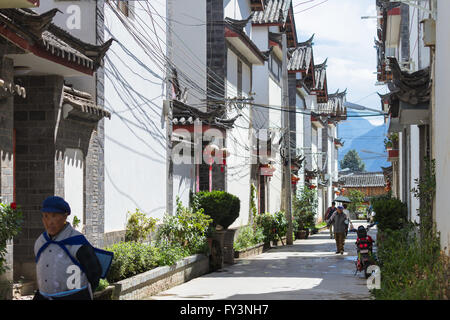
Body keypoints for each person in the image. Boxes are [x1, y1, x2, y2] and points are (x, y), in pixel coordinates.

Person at [33, 196, 102, 300]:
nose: (49, 222)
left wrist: (81, 294)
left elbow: (95, 272)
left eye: (54, 216)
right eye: (46, 216)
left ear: (65, 217)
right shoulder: (40, 242)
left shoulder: (78, 242)